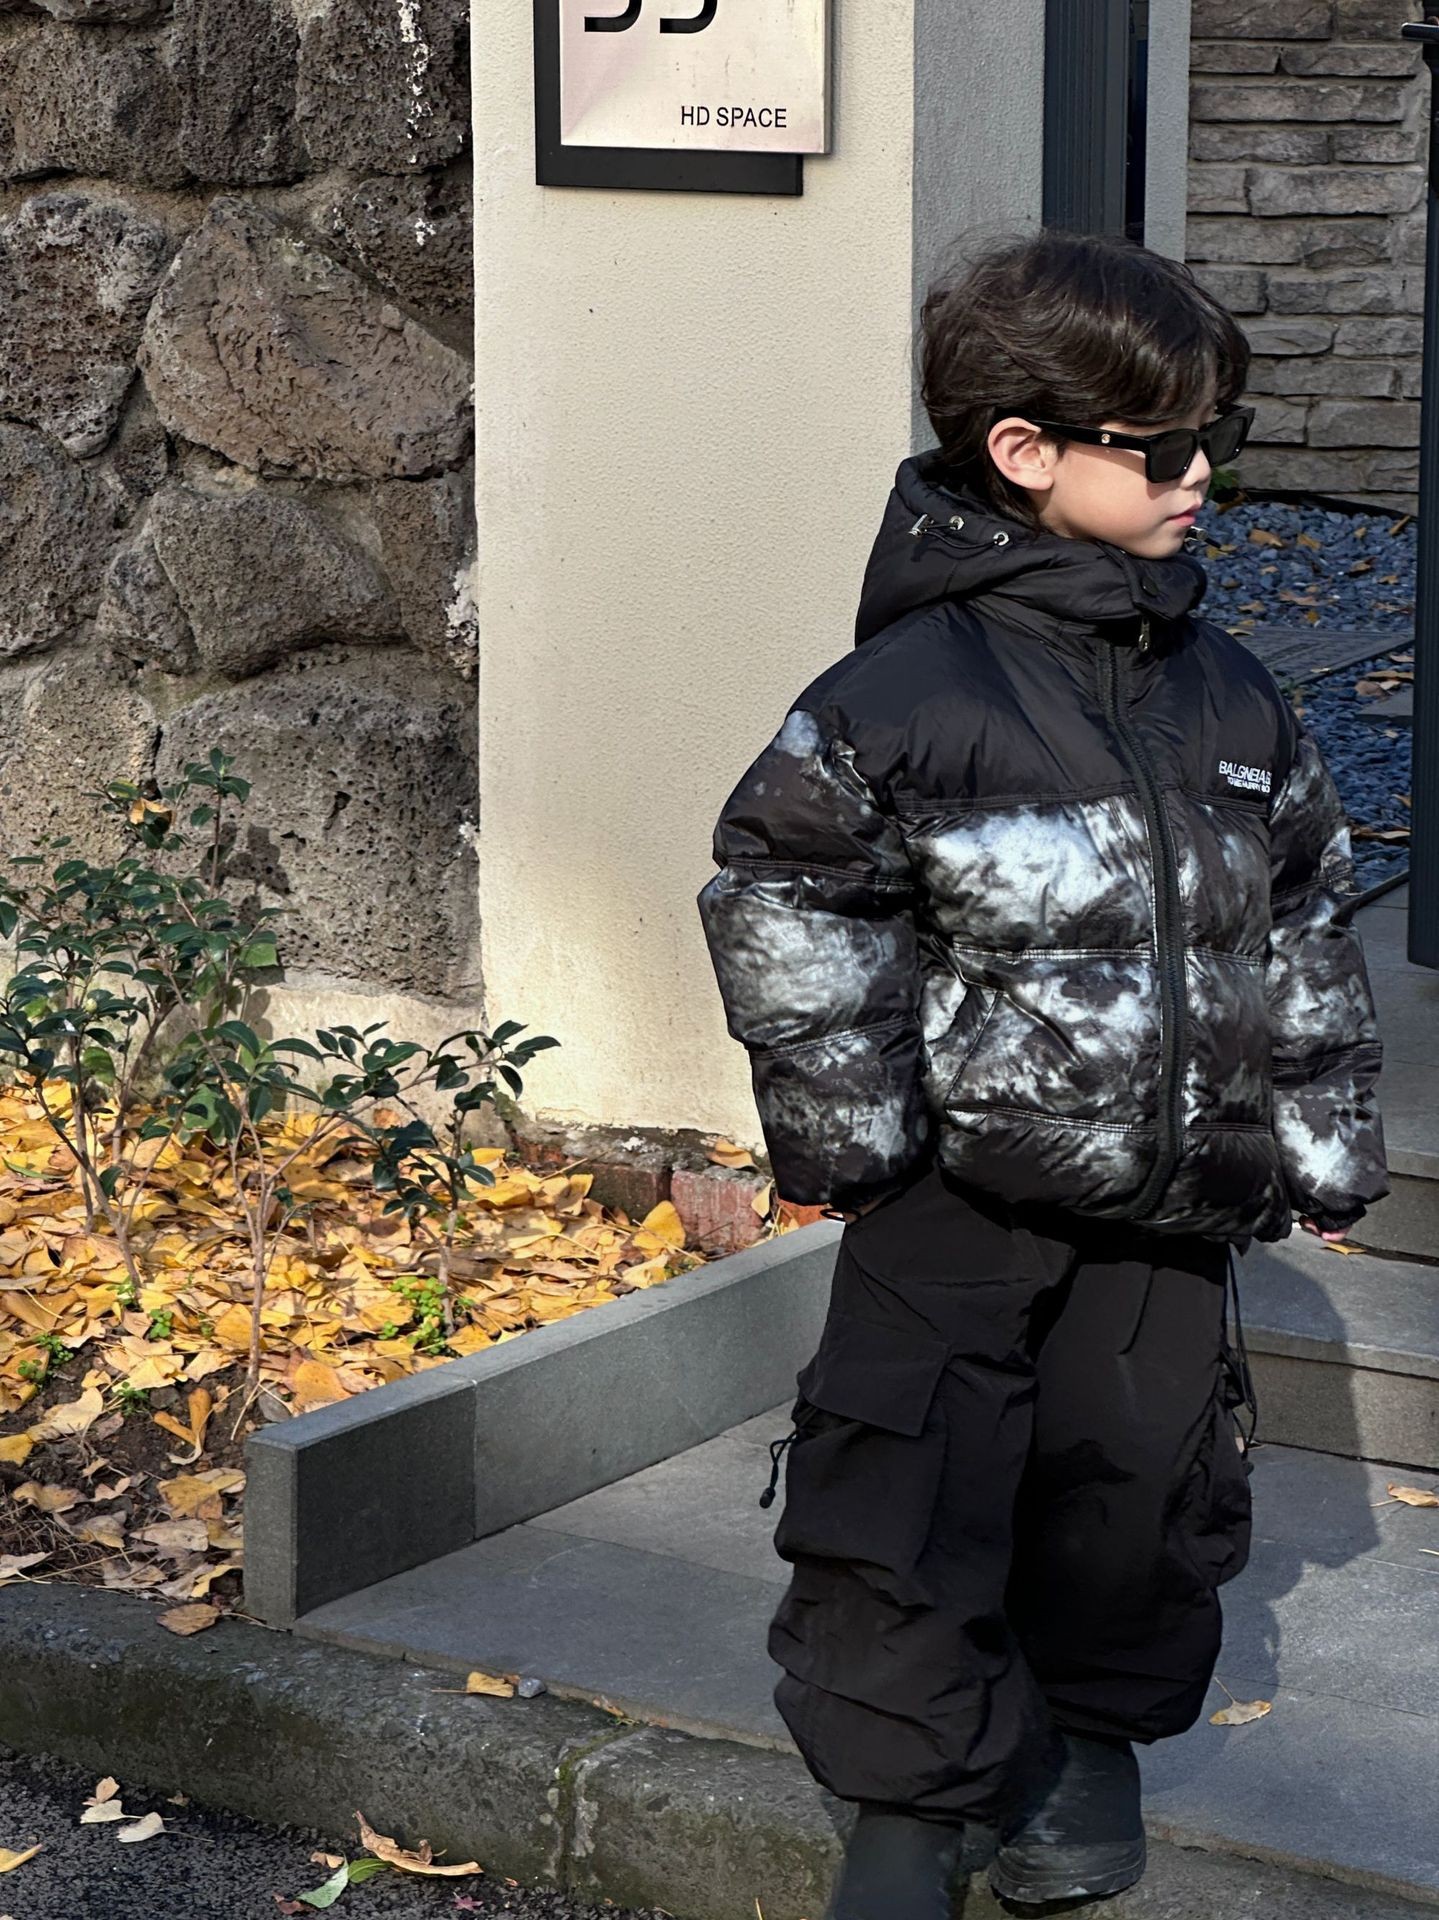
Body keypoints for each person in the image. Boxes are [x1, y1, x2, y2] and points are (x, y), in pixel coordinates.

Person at [695, 230, 1388, 1918]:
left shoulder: (1230, 696)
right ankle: (909, 1809)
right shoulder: (906, 696)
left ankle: (1085, 1745)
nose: (1203, 474)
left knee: (1136, 1492)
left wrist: (1316, 1139)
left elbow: (1300, 913)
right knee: (909, 1495)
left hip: (1171, 1210)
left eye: (1216, 436)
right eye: (1166, 446)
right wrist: (858, 1139)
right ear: (1024, 451)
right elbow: (789, 895)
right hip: (957, 1200)